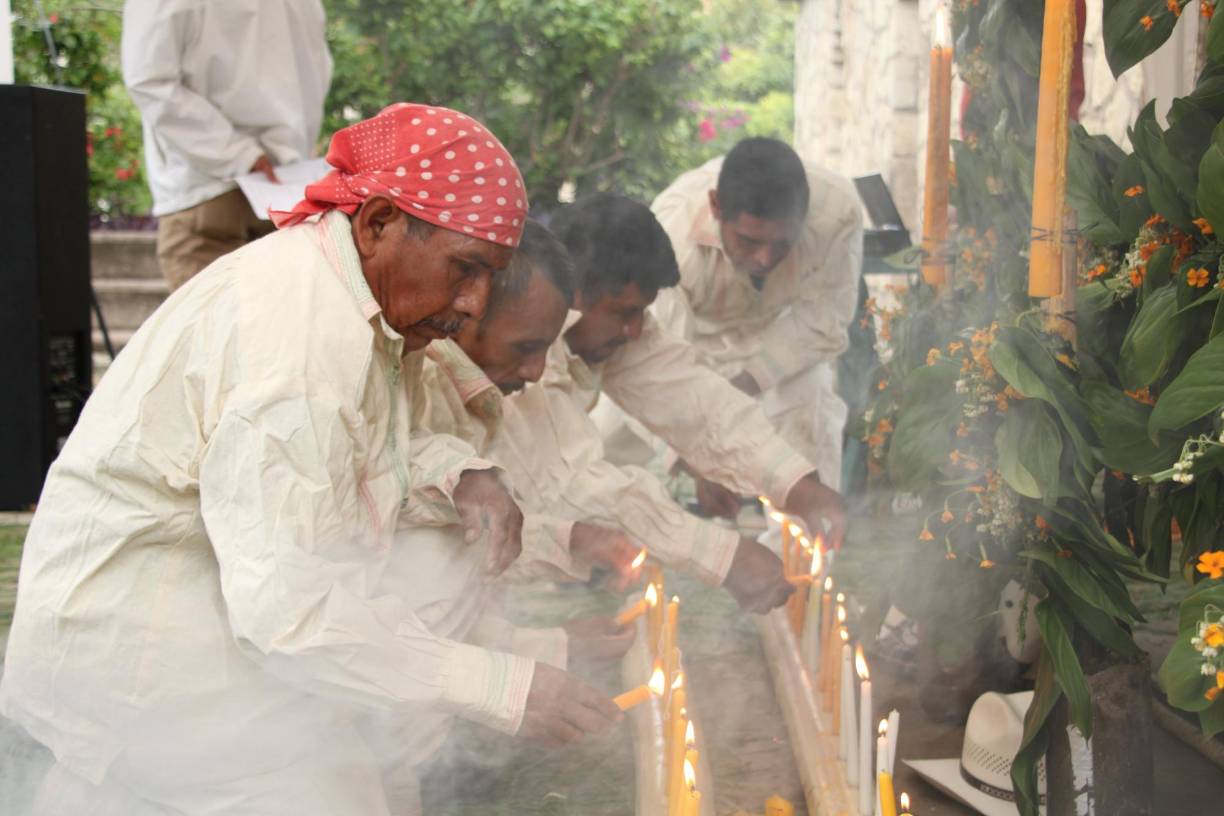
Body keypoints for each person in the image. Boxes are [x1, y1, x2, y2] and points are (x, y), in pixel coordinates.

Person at [0, 104, 619, 816]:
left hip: (164, 660)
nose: (475, 302)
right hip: (140, 670)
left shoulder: (345, 295)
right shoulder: (301, 345)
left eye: (490, 275)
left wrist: (460, 474)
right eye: (466, 268)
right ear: (379, 221)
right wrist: (506, 689)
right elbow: (289, 618)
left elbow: (367, 455)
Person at [487, 194, 849, 615]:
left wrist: (794, 482)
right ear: (576, 295)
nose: (636, 330)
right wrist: (722, 556)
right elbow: (569, 482)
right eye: (625, 312)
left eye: (642, 312)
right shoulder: (522, 353)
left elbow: (699, 403)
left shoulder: (609, 325)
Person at [648, 137, 863, 511]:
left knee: (811, 400)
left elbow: (824, 320)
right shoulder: (670, 238)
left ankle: (802, 559)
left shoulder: (837, 211)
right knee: (617, 430)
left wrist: (747, 382)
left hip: (781, 331)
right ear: (715, 207)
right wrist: (691, 456)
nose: (765, 258)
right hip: (695, 335)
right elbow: (656, 359)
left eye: (783, 243)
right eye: (748, 241)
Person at [121, 0, 333, 289]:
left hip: (205, 188)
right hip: (281, 189)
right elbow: (316, 71)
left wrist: (239, 154)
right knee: (275, 329)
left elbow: (148, 79)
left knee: (209, 331)